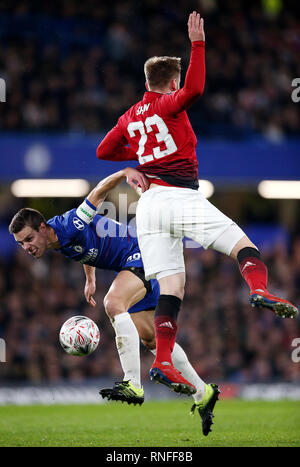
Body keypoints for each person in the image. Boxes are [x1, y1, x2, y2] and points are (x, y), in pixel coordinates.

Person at [96, 10, 298, 409]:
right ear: (171, 82)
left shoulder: (129, 116)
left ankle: (166, 360)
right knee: (244, 246)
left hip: (147, 209)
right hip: (180, 197)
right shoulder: (170, 103)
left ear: (145, 82)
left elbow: (103, 151)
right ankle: (258, 290)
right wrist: (199, 44)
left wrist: (135, 159)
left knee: (171, 290)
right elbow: (196, 91)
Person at [9, 167, 217, 437]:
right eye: (20, 244)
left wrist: (124, 173)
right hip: (135, 262)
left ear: (43, 228)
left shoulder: (70, 224)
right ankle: (204, 393)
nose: (26, 247)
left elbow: (98, 193)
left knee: (113, 303)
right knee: (152, 340)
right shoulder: (57, 241)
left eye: (28, 239)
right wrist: (90, 279)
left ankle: (133, 384)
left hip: (140, 253)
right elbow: (85, 250)